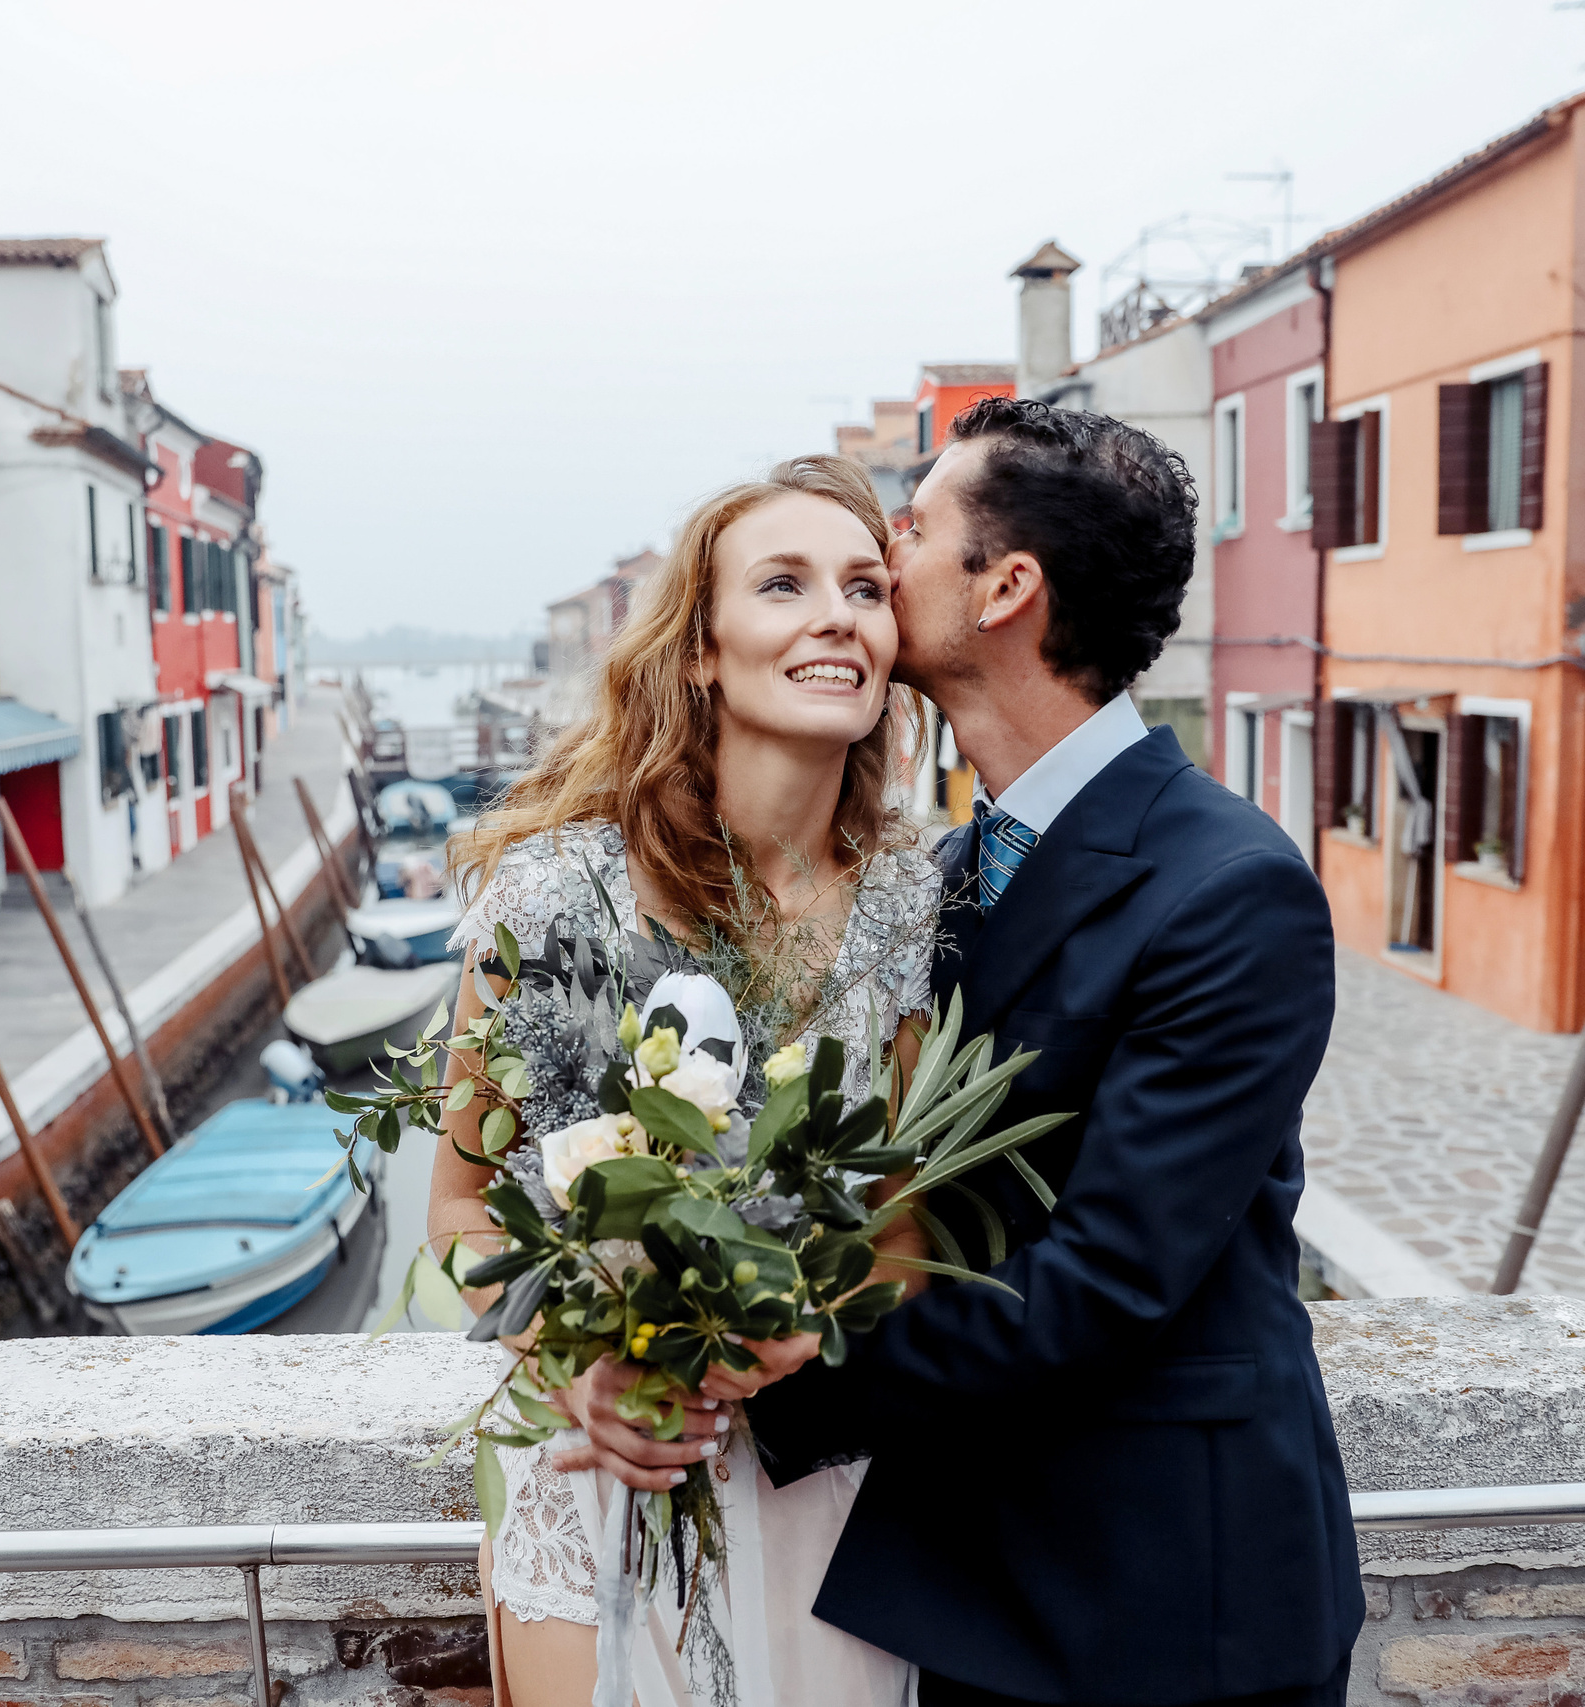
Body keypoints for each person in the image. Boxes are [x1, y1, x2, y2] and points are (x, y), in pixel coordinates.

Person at [563, 397, 1365, 1706]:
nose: (883, 555)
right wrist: (648, 1327)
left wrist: (771, 1370)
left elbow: (1106, 1282)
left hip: (1167, 1607)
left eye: (913, 529)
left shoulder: (1228, 886)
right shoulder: (932, 879)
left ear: (1006, 589)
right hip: (962, 1588)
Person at [427, 455, 942, 1707]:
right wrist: (577, 1358)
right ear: (701, 651)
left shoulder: (911, 906)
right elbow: (458, 1209)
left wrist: (803, 1323)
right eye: (784, 584)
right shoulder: (555, 892)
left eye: (865, 589)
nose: (838, 616)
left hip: (818, 1492)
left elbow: (903, 1239)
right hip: (597, 1471)